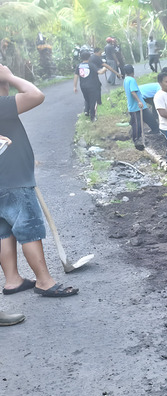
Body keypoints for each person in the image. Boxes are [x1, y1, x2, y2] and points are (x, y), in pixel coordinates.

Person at [0, 64, 79, 323]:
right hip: (14, 180)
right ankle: (44, 281)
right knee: (29, 229)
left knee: (4, 231)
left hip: (4, 183)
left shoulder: (4, 105)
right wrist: (10, 76)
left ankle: (13, 279)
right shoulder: (3, 106)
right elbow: (36, 95)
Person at [122, 65, 159, 148]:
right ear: (133, 71)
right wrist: (139, 101)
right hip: (136, 106)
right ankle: (136, 139)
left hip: (141, 105)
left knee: (150, 118)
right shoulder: (131, 80)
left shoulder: (126, 79)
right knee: (137, 124)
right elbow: (133, 92)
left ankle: (155, 130)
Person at [73, 50, 105, 121]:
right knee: (93, 101)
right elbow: (100, 72)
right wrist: (104, 68)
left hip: (83, 86)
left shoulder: (79, 66)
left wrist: (75, 86)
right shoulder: (91, 65)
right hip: (92, 86)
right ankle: (92, 117)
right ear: (89, 57)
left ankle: (87, 111)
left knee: (87, 99)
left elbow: (76, 76)